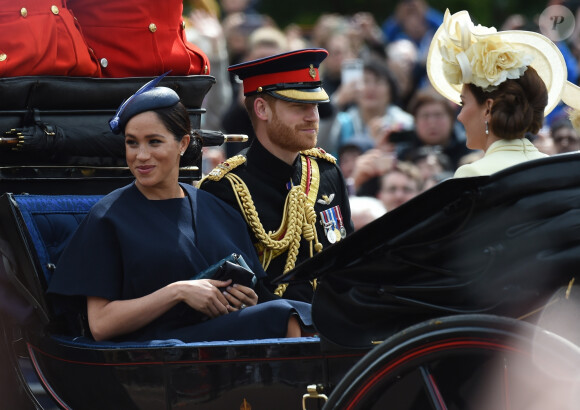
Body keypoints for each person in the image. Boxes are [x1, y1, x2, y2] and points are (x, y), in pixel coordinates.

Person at [47, 75, 312, 343]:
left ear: (183, 144)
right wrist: (178, 292)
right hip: (154, 354)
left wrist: (247, 300)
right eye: (132, 142)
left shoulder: (218, 210)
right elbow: (101, 325)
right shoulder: (108, 217)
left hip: (219, 348)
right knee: (282, 315)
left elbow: (252, 297)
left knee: (309, 314)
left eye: (154, 142)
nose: (141, 155)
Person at [199, 49, 354, 303]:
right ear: (262, 109)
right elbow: (237, 295)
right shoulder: (225, 189)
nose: (312, 117)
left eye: (314, 105)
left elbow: (348, 263)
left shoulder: (326, 172)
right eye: (298, 106)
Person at [426, 9, 568, 178]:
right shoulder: (554, 169)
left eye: (463, 104)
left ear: (488, 109)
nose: (460, 116)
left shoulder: (473, 173)